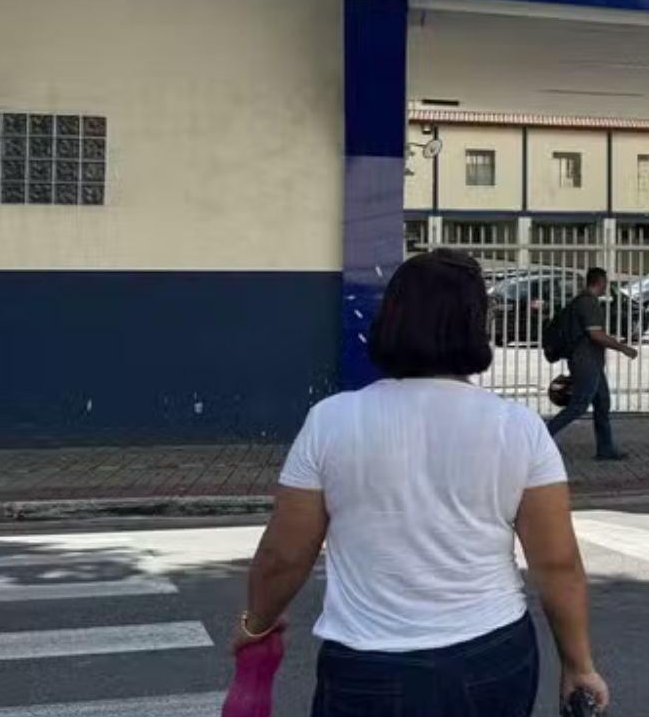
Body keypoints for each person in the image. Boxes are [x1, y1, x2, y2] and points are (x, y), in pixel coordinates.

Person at [235, 250, 609, 716]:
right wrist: (578, 666)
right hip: (491, 657)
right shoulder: (517, 428)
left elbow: (283, 557)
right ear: (477, 325)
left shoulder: (331, 422)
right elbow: (557, 563)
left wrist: (255, 627)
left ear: (391, 319)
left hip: (367, 666)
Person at [545, 266, 639, 460]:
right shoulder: (588, 303)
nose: (607, 286)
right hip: (586, 362)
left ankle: (605, 449)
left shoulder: (582, 301)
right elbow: (596, 334)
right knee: (578, 406)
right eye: (606, 282)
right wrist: (623, 348)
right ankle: (541, 437)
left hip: (591, 363)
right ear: (601, 282)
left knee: (602, 403)